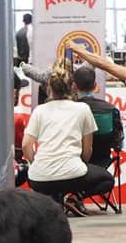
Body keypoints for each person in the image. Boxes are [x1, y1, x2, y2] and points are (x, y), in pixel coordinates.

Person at [23, 64, 113, 216]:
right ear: (72, 87)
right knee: (107, 180)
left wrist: (35, 164)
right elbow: (87, 149)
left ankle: (54, 201)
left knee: (51, 181)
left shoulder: (39, 110)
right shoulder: (82, 109)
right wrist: (81, 164)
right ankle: (74, 198)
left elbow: (26, 145)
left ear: (49, 88)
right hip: (73, 174)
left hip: (38, 179)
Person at [72, 64, 122, 169]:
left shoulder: (68, 111)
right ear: (95, 86)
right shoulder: (111, 110)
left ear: (74, 86)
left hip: (74, 164)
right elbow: (119, 142)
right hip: (103, 163)